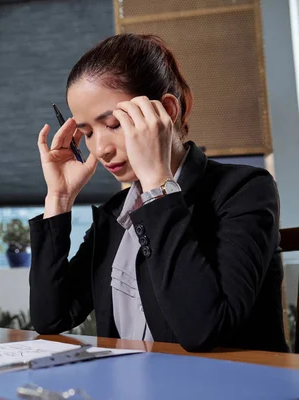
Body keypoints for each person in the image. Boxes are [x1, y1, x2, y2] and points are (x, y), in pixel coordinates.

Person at [29, 33, 288, 353]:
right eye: (87, 133)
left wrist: (157, 183)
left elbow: (204, 331)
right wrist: (59, 198)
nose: (100, 149)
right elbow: (51, 318)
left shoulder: (245, 190)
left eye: (113, 124)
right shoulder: (116, 212)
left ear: (165, 111)